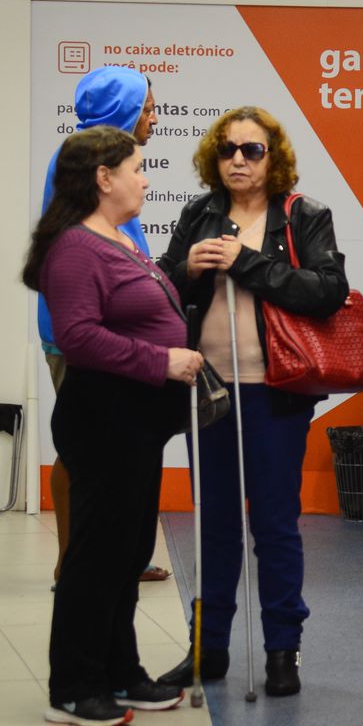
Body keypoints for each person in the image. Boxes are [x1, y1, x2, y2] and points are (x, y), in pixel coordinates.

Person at [155, 107, 349, 697]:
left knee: (274, 525)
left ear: (273, 158)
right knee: (212, 524)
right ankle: (207, 648)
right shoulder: (199, 213)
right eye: (228, 150)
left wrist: (249, 263)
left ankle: (281, 651)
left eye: (252, 150)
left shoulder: (303, 215)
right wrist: (185, 269)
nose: (239, 159)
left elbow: (327, 291)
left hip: (276, 396)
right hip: (208, 393)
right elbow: (160, 290)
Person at [24, 125, 200, 726]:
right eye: (137, 168)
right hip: (104, 418)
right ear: (104, 179)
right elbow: (76, 336)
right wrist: (163, 359)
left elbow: (135, 310)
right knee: (96, 556)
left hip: (135, 421)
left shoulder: (116, 239)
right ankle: (74, 687)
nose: (145, 178)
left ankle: (120, 672)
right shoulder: (75, 247)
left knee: (126, 554)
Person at [38, 67, 172, 587]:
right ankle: (72, 562)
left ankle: (119, 554)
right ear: (123, 110)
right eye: (148, 108)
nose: (155, 118)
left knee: (115, 445)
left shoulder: (111, 159)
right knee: (83, 444)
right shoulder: (86, 161)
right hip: (84, 332)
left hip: (112, 329)